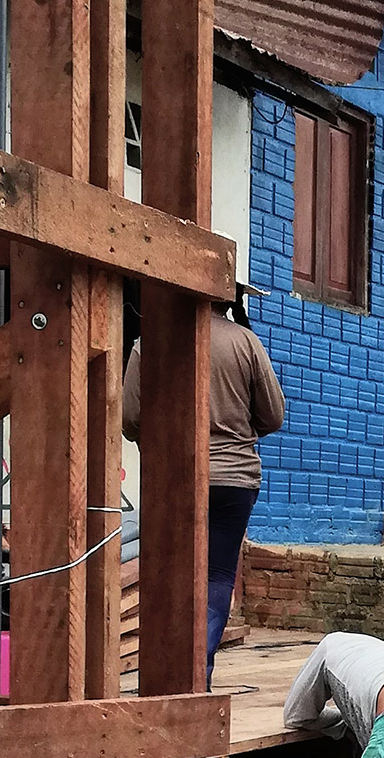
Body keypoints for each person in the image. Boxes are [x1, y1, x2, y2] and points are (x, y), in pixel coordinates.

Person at [122, 291, 285, 687]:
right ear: (226, 301)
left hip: (172, 482)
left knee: (167, 575)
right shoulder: (244, 342)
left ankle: (165, 679)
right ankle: (200, 676)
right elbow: (274, 415)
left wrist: (167, 437)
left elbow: (129, 420)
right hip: (233, 480)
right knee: (217, 576)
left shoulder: (148, 343)